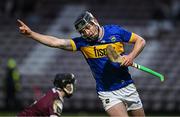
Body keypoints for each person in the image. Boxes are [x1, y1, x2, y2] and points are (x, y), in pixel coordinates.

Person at [17, 11, 146, 117]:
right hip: (107, 92)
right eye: (83, 31)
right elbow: (56, 42)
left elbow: (140, 41)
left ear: (94, 21)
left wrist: (131, 56)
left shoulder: (115, 31)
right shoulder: (82, 43)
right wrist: (31, 34)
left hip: (127, 86)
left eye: (88, 28)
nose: (87, 32)